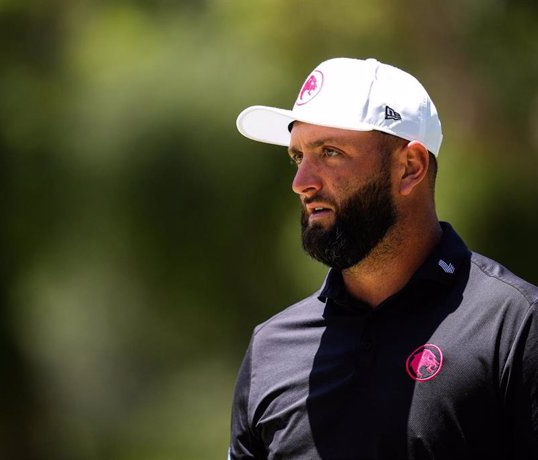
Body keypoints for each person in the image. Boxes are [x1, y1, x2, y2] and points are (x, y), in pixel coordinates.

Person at [229, 57, 538, 459]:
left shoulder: (514, 326)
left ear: (410, 167)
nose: (301, 182)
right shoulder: (270, 349)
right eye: (297, 156)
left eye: (330, 152)